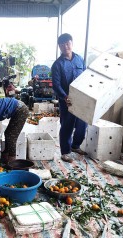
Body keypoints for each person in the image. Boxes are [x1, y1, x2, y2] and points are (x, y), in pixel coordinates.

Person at [51, 33, 88, 163]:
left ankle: (76, 145)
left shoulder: (80, 60)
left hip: (81, 99)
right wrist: (64, 97)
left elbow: (86, 77)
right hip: (66, 100)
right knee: (67, 125)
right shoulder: (57, 64)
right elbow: (56, 85)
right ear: (59, 47)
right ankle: (65, 152)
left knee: (83, 124)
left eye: (67, 43)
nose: (65, 46)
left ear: (71, 43)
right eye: (62, 44)